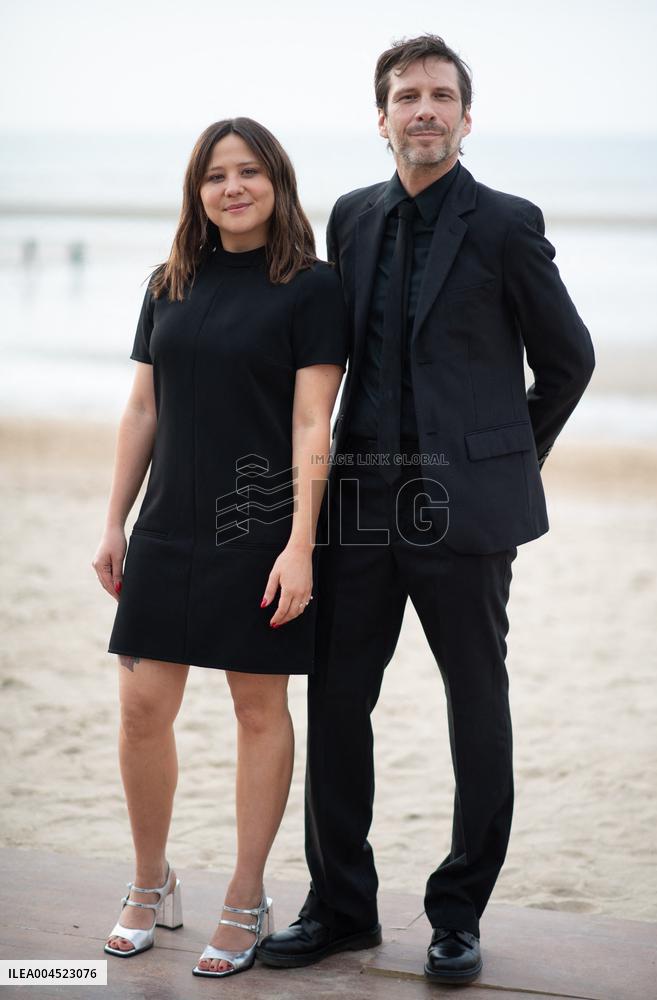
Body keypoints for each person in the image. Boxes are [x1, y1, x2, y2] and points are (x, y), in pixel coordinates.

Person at [257, 35, 595, 984]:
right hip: (360, 505)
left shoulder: (507, 224)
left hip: (464, 513)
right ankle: (342, 907)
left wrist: (505, 457)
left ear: (466, 116)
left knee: (476, 707)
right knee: (338, 704)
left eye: (442, 95)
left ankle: (457, 913)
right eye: (407, 96)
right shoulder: (352, 217)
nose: (425, 110)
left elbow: (569, 361)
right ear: (383, 117)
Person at [91, 117, 347, 979]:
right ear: (196, 192)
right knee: (141, 709)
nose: (232, 187)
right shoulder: (169, 282)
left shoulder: (312, 288)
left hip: (257, 531)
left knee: (257, 710)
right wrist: (114, 519)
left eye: (248, 172)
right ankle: (149, 882)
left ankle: (246, 895)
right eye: (214, 175)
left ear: (277, 181)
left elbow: (312, 424)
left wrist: (300, 544)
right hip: (166, 526)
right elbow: (143, 408)